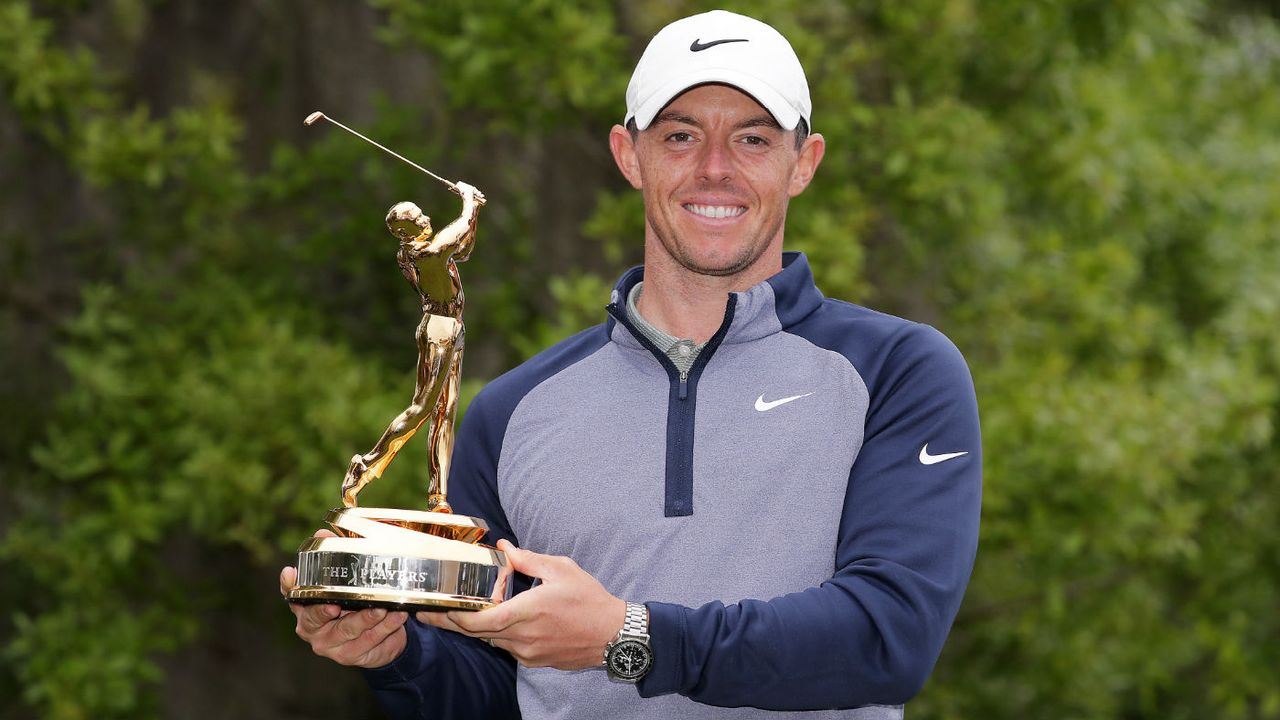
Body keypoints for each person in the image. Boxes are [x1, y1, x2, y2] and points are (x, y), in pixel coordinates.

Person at [280, 10, 981, 720]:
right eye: (680, 135)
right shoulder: (512, 411)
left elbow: (888, 636)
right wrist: (396, 655)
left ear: (803, 163)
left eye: (753, 138)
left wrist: (629, 636)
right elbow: (496, 690)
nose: (715, 167)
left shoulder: (899, 371)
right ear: (628, 154)